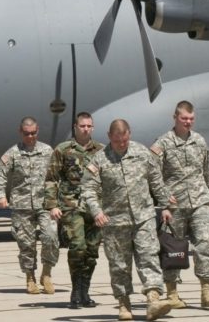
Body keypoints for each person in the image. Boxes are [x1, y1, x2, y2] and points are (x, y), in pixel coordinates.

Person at [82, 119, 173, 321]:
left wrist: (166, 205)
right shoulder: (99, 160)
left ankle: (153, 299)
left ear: (129, 134)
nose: (121, 144)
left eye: (124, 140)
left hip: (144, 217)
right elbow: (88, 189)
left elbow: (156, 182)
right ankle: (124, 304)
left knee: (149, 257)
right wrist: (97, 211)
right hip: (114, 223)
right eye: (117, 141)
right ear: (109, 137)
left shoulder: (142, 154)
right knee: (119, 265)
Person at [151, 101, 209, 309]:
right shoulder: (163, 143)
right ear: (175, 117)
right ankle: (172, 294)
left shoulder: (199, 141)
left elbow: (207, 172)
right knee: (172, 249)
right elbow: (154, 176)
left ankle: (206, 291)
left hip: (199, 202)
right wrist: (163, 205)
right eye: (184, 118)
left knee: (205, 244)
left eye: (191, 119)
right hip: (174, 205)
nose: (188, 122)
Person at [44, 112, 104, 308]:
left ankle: (85, 291)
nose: (86, 129)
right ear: (75, 127)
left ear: (92, 128)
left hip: (94, 208)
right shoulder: (63, 150)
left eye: (89, 126)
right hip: (71, 206)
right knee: (78, 247)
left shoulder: (102, 151)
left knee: (92, 251)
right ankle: (75, 291)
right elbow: (52, 178)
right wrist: (52, 205)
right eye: (82, 126)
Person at [0, 116, 59, 295]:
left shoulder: (47, 151)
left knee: (51, 237)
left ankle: (47, 273)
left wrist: (57, 201)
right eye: (27, 133)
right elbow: (0, 175)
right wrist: (1, 195)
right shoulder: (13, 153)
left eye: (34, 133)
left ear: (37, 131)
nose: (30, 136)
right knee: (26, 243)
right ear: (20, 132)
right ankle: (30, 277)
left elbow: (55, 176)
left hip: (45, 204)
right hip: (22, 206)